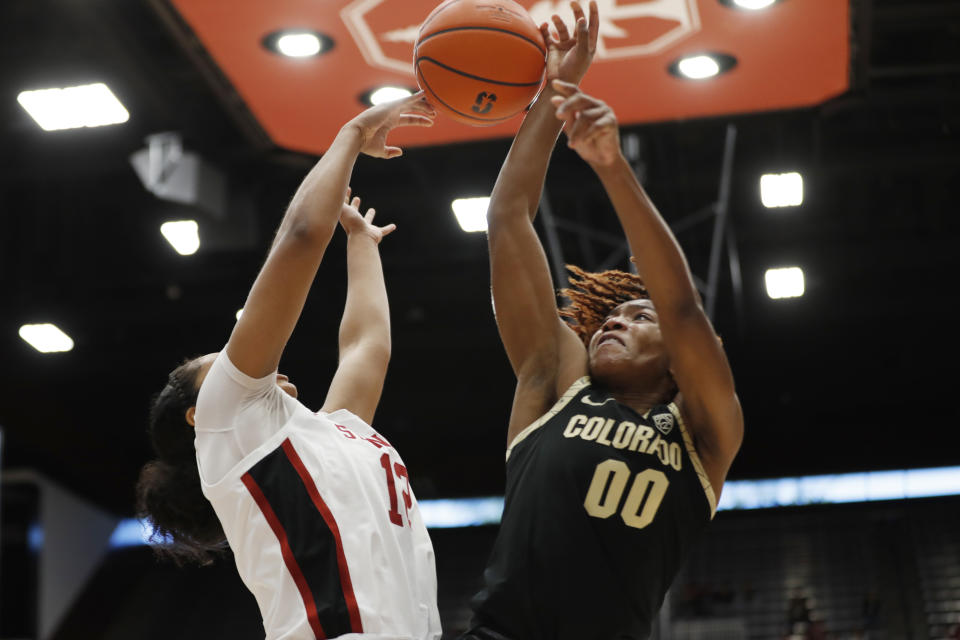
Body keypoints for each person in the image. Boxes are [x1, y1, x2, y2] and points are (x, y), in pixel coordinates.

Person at [463, 2, 744, 638]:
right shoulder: (555, 384)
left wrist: (611, 166)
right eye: (609, 315)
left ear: (679, 359)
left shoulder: (705, 435)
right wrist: (555, 95)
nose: (613, 322)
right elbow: (507, 216)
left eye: (637, 317)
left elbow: (682, 308)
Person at [135, 93, 443, 639]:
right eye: (219, 362)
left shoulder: (335, 433)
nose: (249, 362)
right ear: (196, 413)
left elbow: (368, 346)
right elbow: (301, 237)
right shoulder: (228, 418)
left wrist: (362, 244)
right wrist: (350, 136)